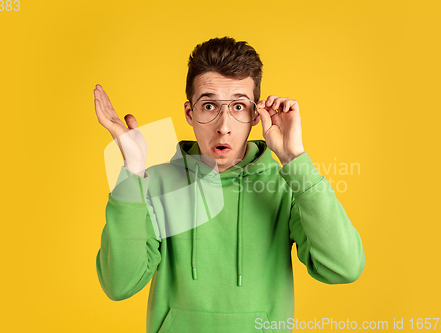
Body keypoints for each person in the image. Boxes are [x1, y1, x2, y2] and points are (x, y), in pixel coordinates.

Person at [94, 36, 365, 333]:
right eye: (209, 106)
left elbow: (344, 267)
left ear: (255, 115)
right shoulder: (155, 184)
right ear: (190, 113)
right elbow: (119, 284)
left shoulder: (286, 185)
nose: (224, 126)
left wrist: (295, 159)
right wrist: (132, 170)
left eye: (238, 106)